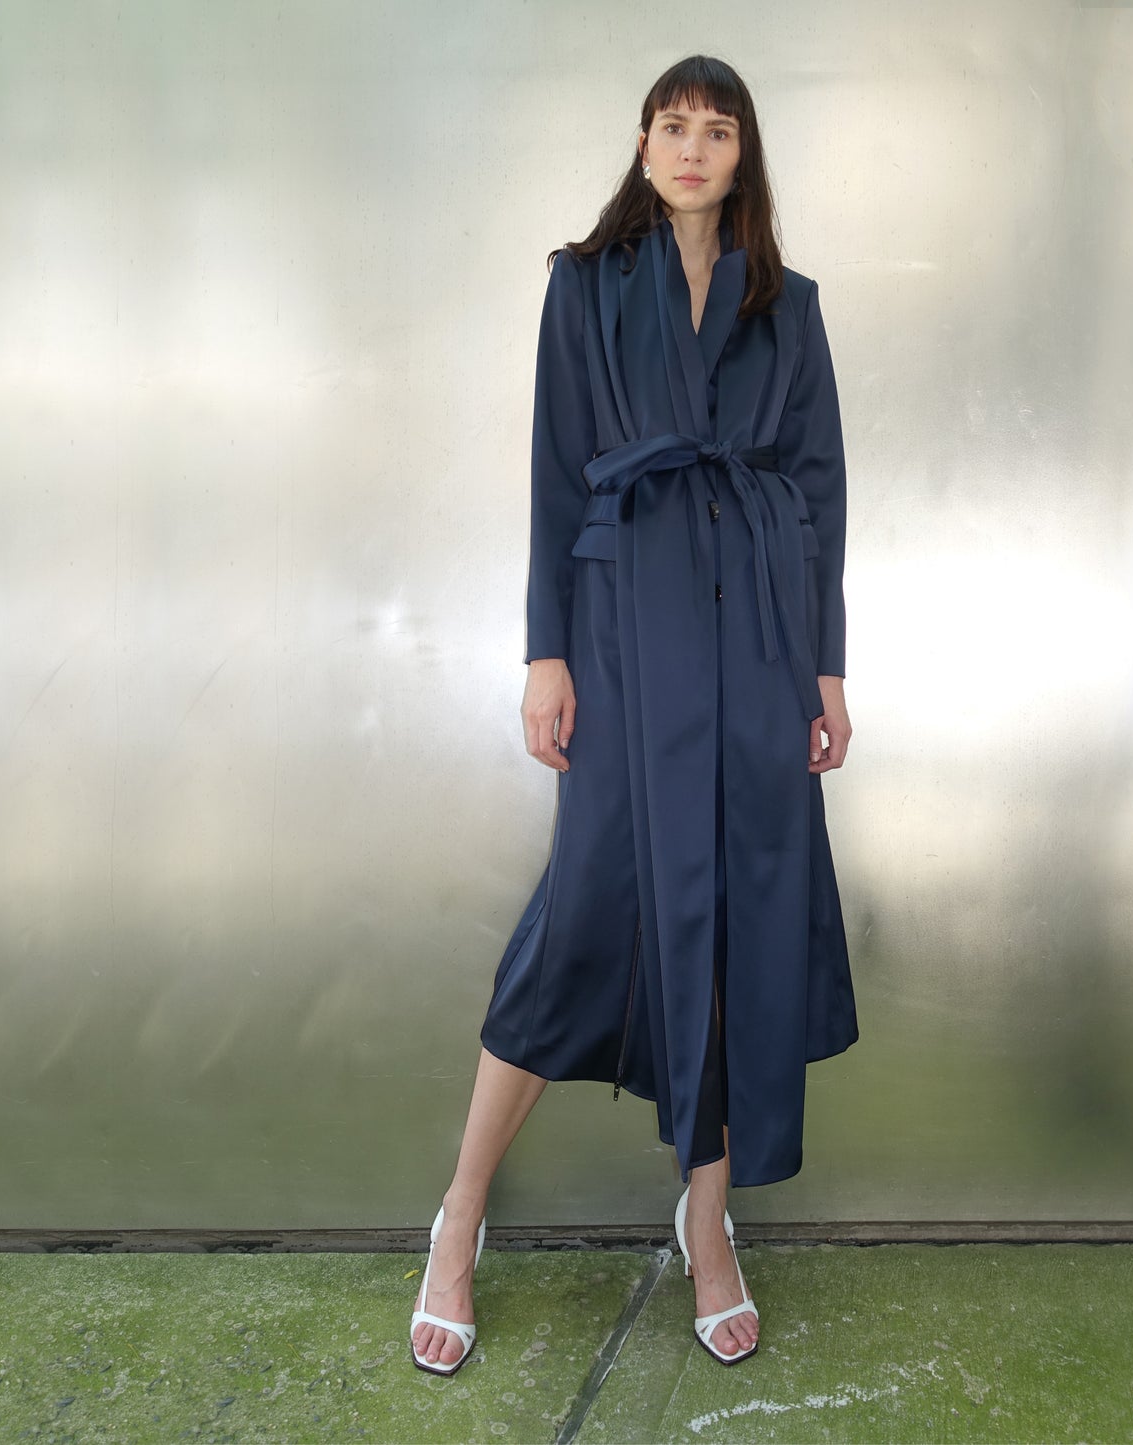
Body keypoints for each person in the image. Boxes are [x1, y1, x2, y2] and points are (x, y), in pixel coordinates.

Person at [410, 54, 858, 1376]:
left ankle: (707, 1225)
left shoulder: (791, 305)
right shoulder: (584, 284)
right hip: (622, 628)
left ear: (743, 153)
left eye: (717, 130)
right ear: (645, 142)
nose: (693, 147)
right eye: (674, 125)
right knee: (585, 910)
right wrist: (546, 654)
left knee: (734, 916)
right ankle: (459, 1211)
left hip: (757, 634)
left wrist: (824, 669)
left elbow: (820, 488)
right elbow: (558, 474)